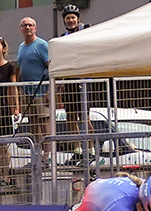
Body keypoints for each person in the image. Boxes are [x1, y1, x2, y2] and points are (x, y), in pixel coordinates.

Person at [54, 4, 90, 136]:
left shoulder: (86, 30)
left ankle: (90, 146)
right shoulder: (64, 37)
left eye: (73, 17)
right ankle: (77, 148)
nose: (70, 20)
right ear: (64, 20)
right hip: (69, 81)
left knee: (85, 117)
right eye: (68, 18)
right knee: (70, 116)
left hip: (83, 79)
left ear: (78, 19)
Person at [16, 17, 50, 144]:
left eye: (30, 25)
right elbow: (21, 69)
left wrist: (49, 91)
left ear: (35, 28)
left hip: (41, 92)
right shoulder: (20, 47)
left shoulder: (42, 45)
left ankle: (48, 157)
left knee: (44, 124)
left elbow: (51, 67)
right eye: (24, 25)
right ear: (20, 29)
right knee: (33, 124)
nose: (27, 27)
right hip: (27, 92)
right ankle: (37, 155)